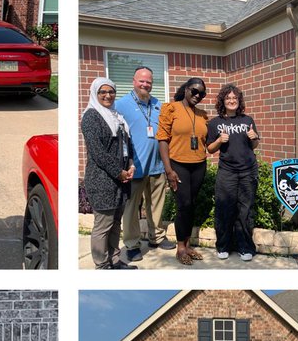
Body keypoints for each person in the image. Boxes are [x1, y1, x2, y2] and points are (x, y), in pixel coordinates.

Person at [115, 66, 170, 261]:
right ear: (133, 81)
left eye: (149, 82)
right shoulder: (121, 105)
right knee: (131, 208)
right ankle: (132, 244)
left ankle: (157, 237)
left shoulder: (158, 105)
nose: (145, 84)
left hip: (157, 165)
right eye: (142, 81)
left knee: (156, 204)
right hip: (134, 167)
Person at [82, 76, 136, 269]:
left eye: (111, 91)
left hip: (121, 180)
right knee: (103, 226)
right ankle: (102, 264)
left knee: (115, 224)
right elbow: (97, 152)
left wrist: (131, 165)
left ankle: (115, 260)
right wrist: (118, 172)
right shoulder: (91, 117)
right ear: (95, 94)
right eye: (102, 92)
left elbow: (126, 146)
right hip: (102, 180)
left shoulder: (116, 116)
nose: (107, 95)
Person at [158, 78, 211, 267]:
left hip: (198, 165)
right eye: (194, 91)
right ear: (186, 89)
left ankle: (188, 244)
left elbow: (209, 142)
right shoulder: (170, 109)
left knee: (192, 205)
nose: (198, 96)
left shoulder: (203, 115)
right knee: (183, 205)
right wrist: (168, 170)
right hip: (177, 164)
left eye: (202, 94)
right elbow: (163, 140)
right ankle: (180, 247)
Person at [206, 84, 260, 262]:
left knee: (245, 209)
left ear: (239, 101)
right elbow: (210, 149)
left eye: (234, 98)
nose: (231, 101)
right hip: (227, 172)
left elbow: (254, 145)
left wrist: (254, 138)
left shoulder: (247, 120)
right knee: (224, 208)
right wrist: (220, 140)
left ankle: (245, 247)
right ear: (223, 101)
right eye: (228, 98)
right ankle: (223, 246)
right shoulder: (215, 123)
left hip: (248, 171)